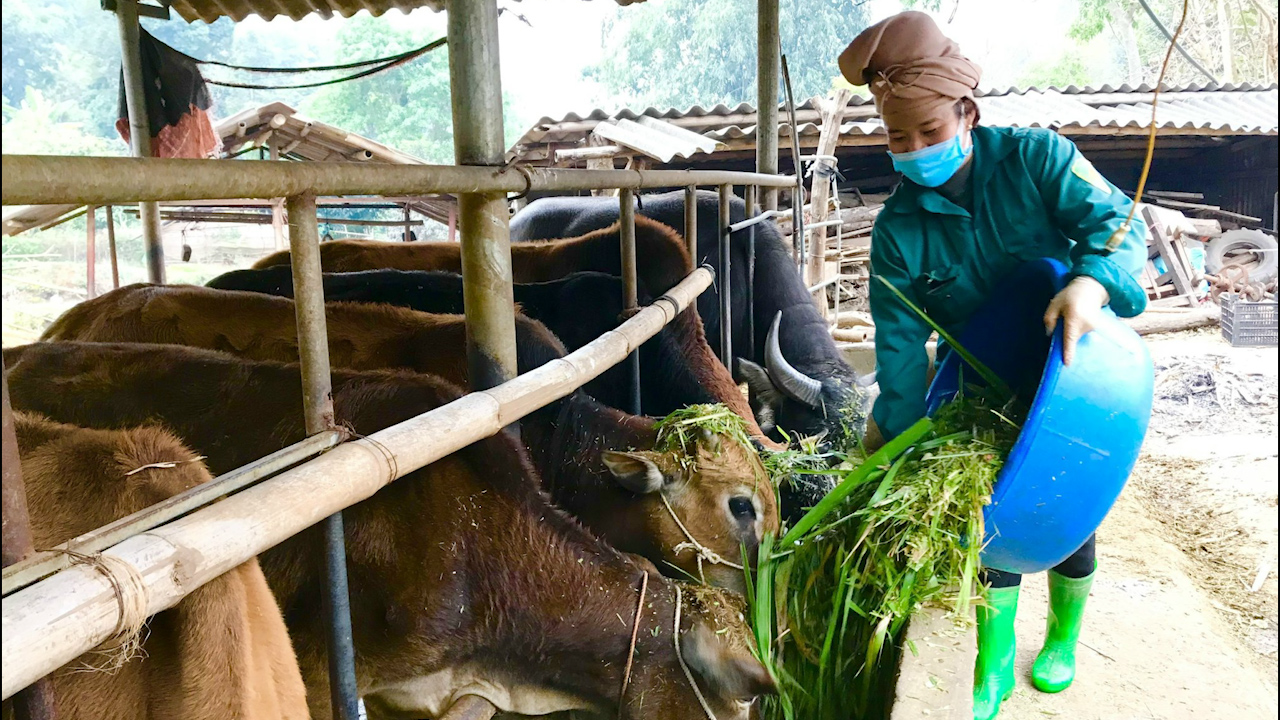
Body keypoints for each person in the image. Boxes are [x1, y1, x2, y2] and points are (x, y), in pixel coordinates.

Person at [838, 12, 1149, 720]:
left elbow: (1117, 225)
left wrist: (1091, 281)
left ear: (968, 113)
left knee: (1069, 512)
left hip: (1071, 370)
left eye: (930, 133)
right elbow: (897, 348)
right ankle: (994, 657)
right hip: (978, 385)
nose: (914, 151)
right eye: (897, 139)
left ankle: (1065, 635)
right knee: (991, 516)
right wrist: (892, 433)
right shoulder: (897, 234)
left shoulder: (1038, 160)